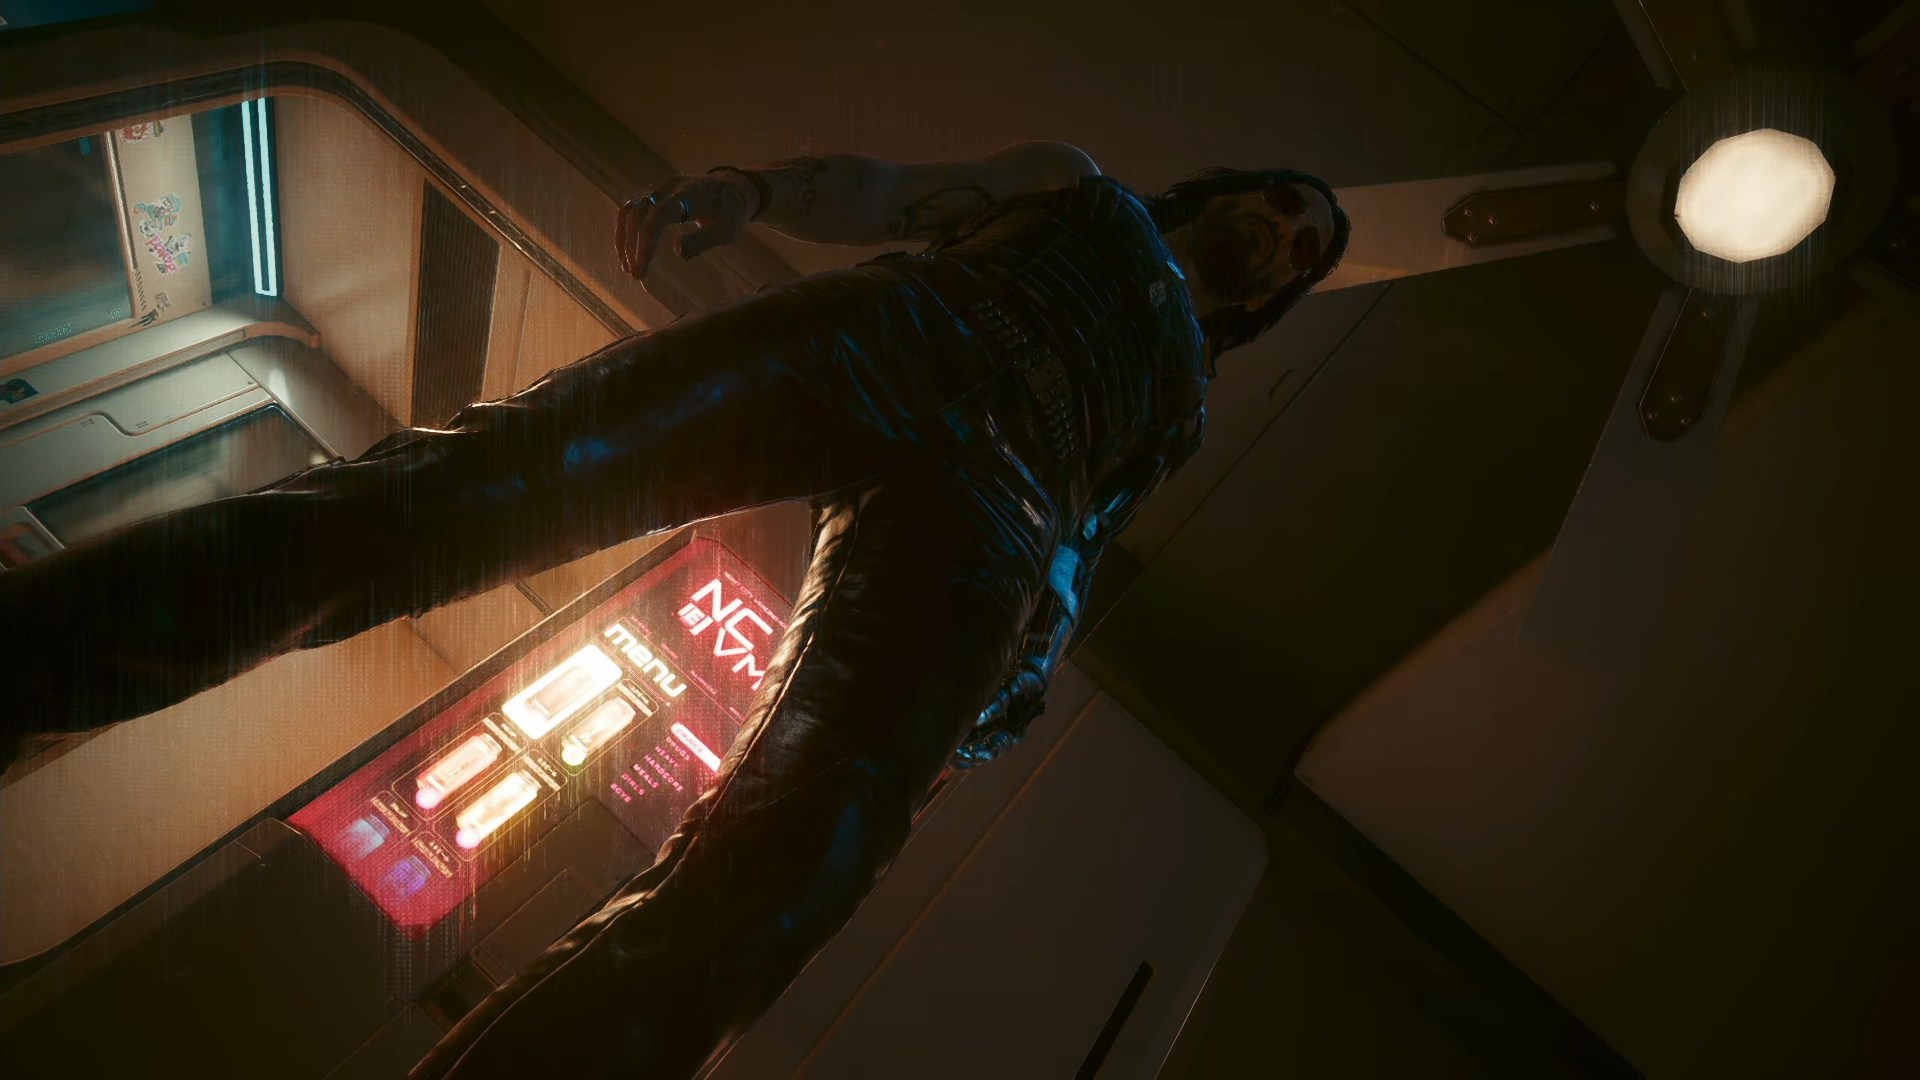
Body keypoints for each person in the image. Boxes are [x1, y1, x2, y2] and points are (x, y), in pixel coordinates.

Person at [0, 142, 1348, 1077]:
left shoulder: (1181, 407)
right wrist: (750, 193)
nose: (1284, 233)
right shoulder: (1081, 191)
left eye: (1306, 253)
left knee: (801, 865)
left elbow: (1084, 541)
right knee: (478, 490)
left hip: (1002, 520)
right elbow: (895, 191)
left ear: (1278, 297)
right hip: (897, 338)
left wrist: (1015, 668)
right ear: (1234, 186)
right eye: (1289, 203)